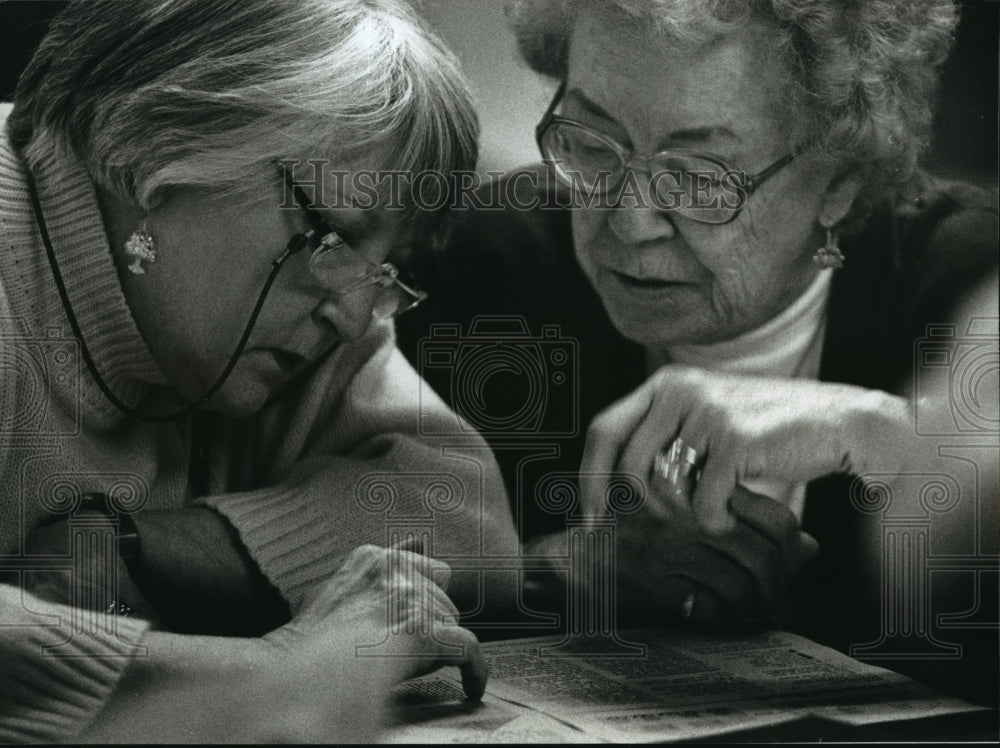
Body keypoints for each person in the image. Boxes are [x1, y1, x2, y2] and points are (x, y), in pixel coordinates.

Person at [396, 0, 998, 704]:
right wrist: (559, 572)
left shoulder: (971, 285)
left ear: (839, 181)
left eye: (700, 177)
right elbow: (353, 585)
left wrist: (882, 430)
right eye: (592, 142)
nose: (628, 220)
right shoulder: (484, 271)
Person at [0, 0, 520, 741]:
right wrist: (274, 675)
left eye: (384, 269)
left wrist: (132, 555)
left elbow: (469, 517)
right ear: (148, 151)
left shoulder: (305, 315)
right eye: (335, 234)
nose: (350, 314)